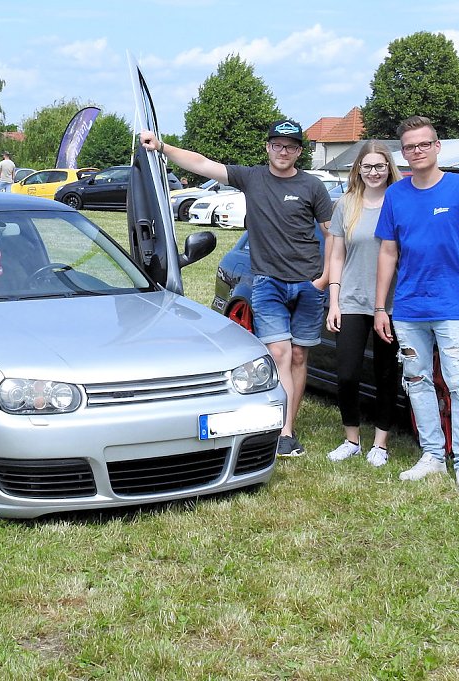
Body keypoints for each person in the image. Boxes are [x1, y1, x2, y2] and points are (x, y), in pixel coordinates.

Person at [140, 120, 333, 457]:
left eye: (290, 146)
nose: (283, 151)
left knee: (300, 355)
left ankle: (290, 421)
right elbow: (202, 164)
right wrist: (163, 147)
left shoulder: (312, 186)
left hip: (307, 283)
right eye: (277, 144)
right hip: (268, 282)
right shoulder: (252, 178)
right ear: (267, 147)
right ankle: (285, 433)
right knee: (279, 354)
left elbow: (333, 234)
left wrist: (324, 279)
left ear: (299, 151)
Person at [374, 115, 459, 495]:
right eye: (410, 147)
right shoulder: (396, 195)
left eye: (424, 144)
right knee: (417, 382)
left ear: (437, 146)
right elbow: (388, 253)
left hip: (455, 308)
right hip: (409, 310)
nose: (417, 151)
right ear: (403, 153)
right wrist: (381, 307)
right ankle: (432, 456)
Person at [325, 142, 402, 467]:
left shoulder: (400, 201)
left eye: (379, 166)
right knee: (347, 374)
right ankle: (352, 439)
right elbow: (337, 254)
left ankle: (380, 444)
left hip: (393, 305)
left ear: (389, 168)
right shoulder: (346, 204)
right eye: (367, 166)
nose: (373, 172)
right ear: (358, 169)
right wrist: (334, 300)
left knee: (386, 375)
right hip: (352, 300)